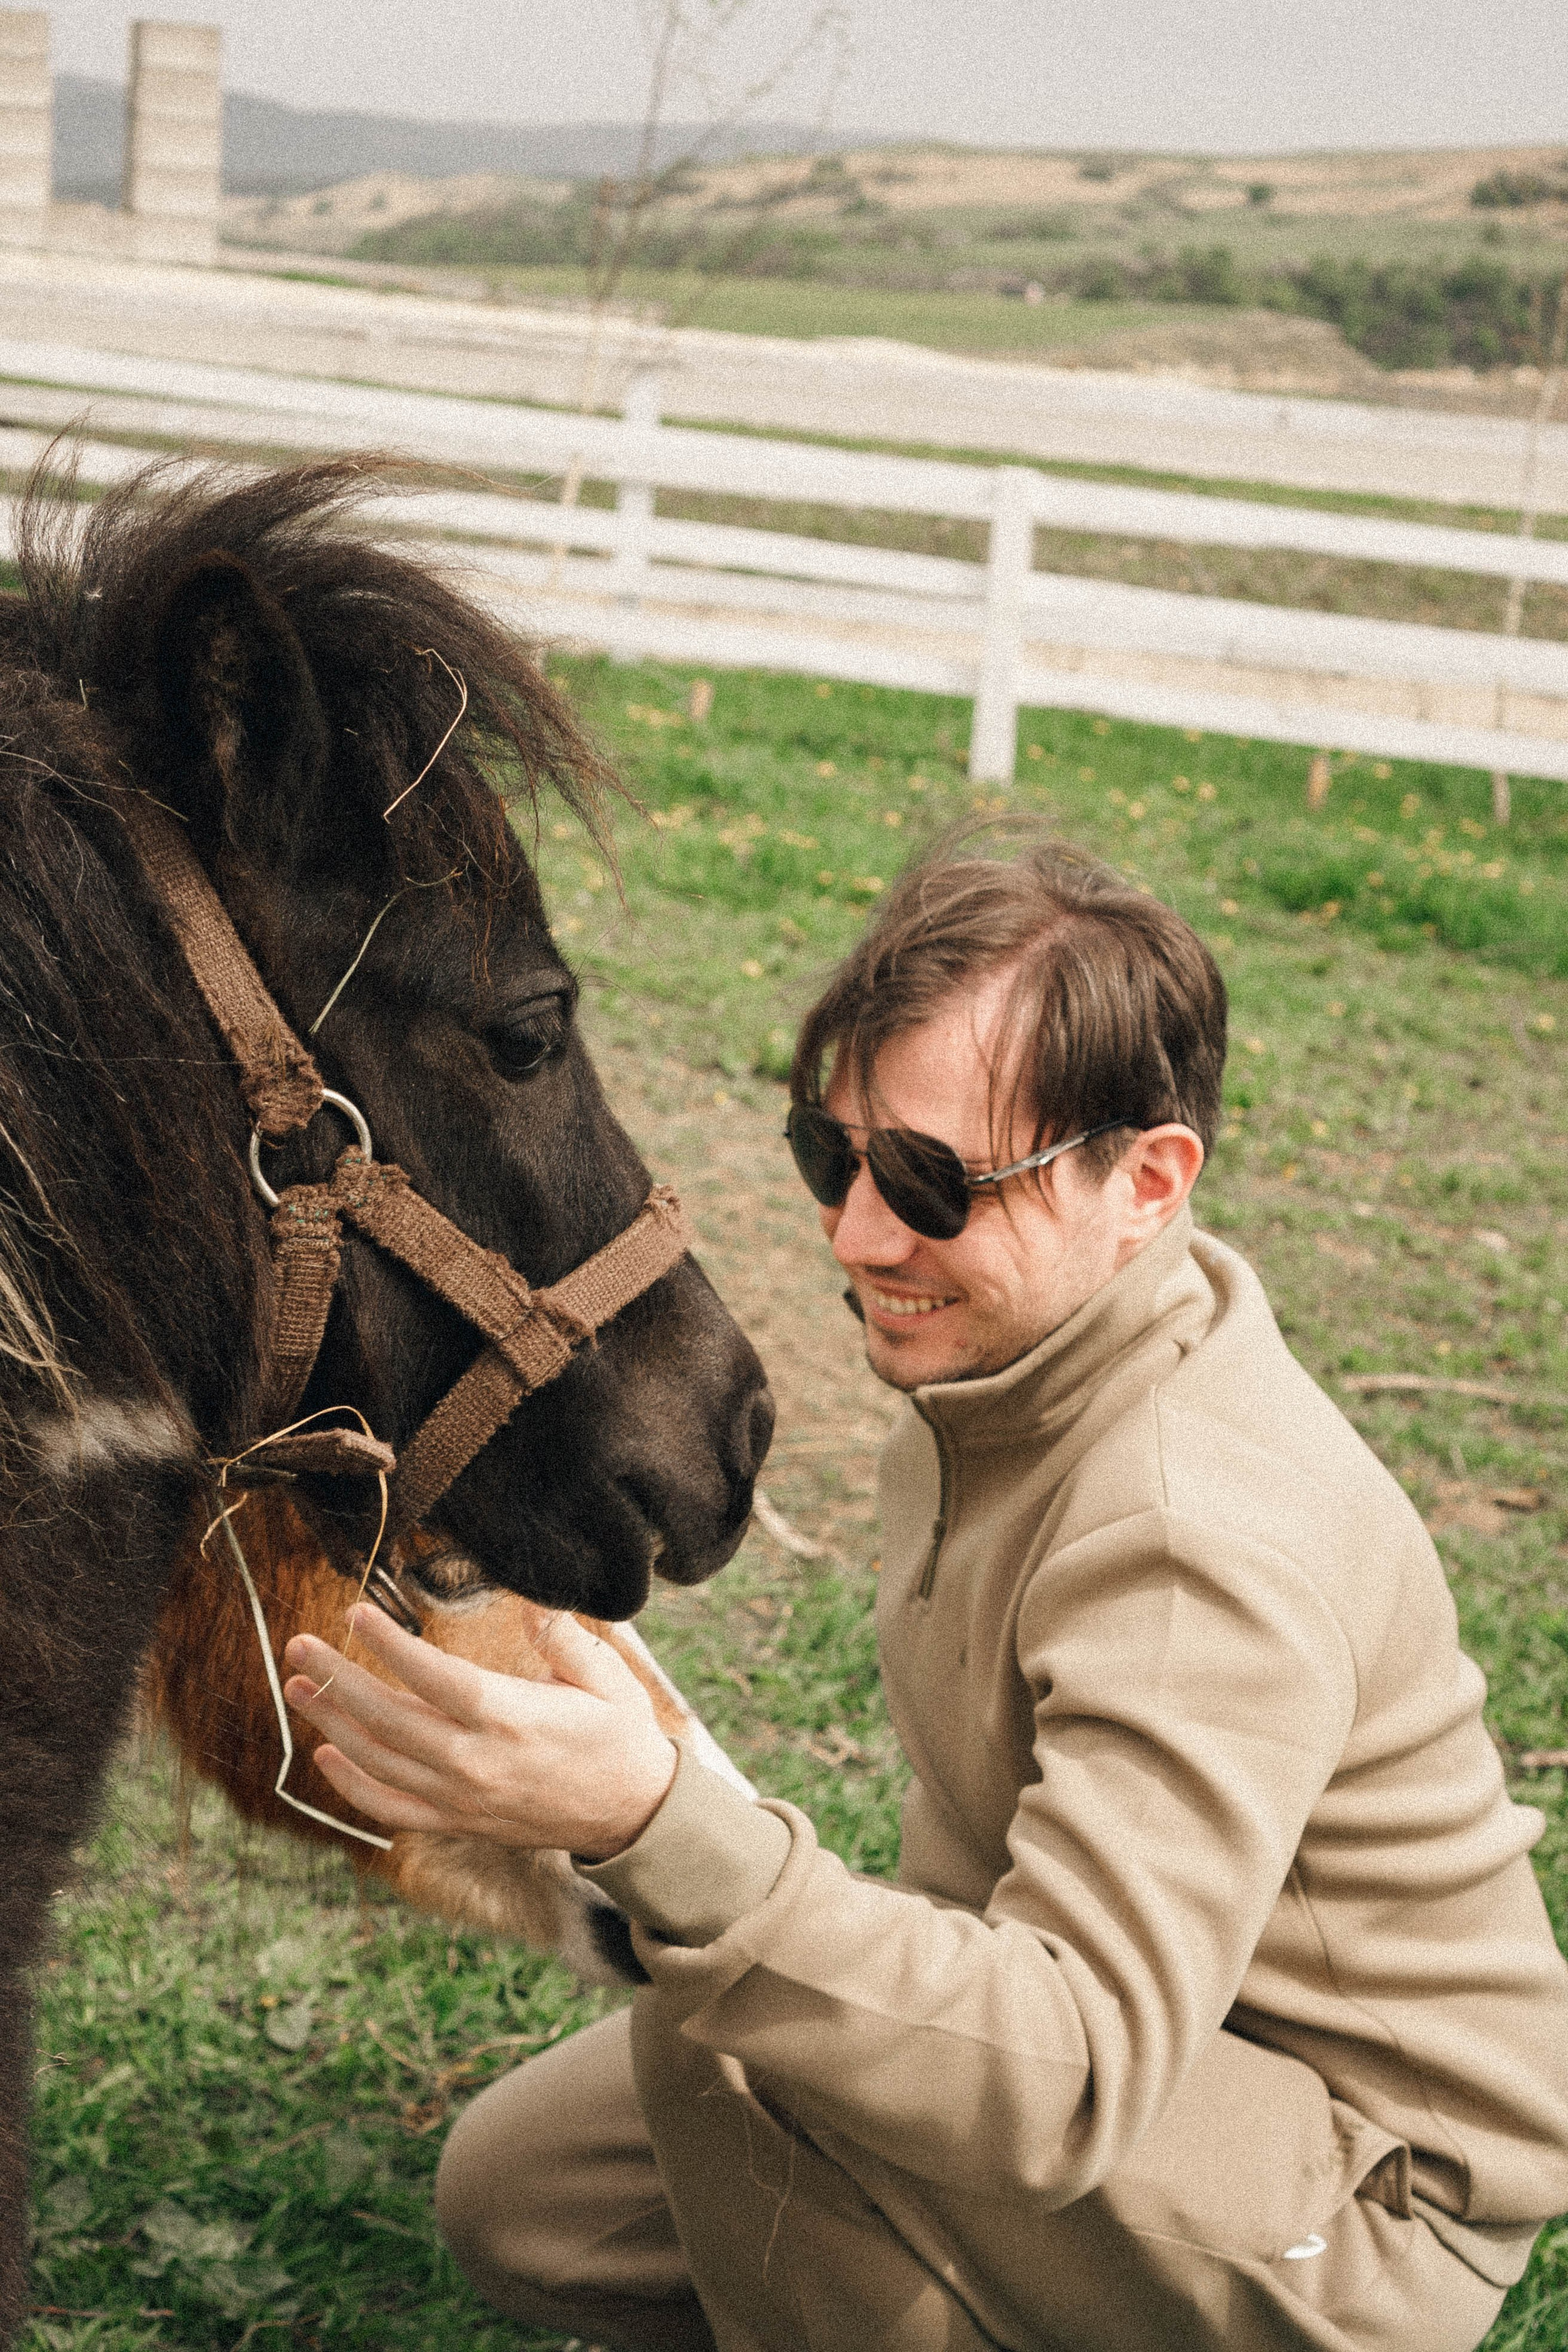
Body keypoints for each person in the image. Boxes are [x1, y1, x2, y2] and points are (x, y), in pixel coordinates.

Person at [283, 835, 1568, 2352]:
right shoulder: (1017, 1370)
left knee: (740, 2049)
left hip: (1359, 2196)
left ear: (1144, 1181)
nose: (857, 1235)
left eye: (930, 1183)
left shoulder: (1192, 1543)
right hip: (1144, 2043)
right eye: (834, 1157)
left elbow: (1074, 2075)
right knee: (531, 2199)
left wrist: (652, 1822)